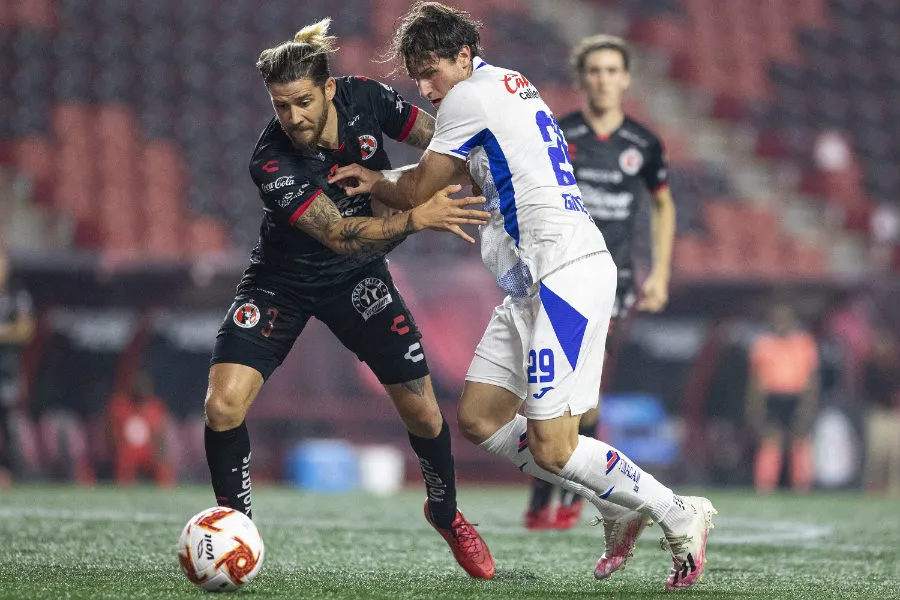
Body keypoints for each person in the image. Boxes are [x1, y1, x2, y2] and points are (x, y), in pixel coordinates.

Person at [329, 2, 714, 589]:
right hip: (532, 281)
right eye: (417, 77)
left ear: (463, 55)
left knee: (555, 446)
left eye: (431, 72)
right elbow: (464, 172)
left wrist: (375, 181)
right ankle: (612, 501)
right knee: (481, 417)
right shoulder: (504, 85)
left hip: (565, 274)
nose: (425, 89)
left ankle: (677, 511)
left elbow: (419, 188)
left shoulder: (468, 98)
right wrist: (394, 182)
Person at [204, 18, 495, 579]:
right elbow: (337, 234)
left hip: (358, 280)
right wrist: (417, 216)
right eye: (281, 106)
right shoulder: (270, 160)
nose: (293, 117)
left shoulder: (367, 98)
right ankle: (236, 529)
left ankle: (446, 514)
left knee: (424, 411)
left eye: (303, 102)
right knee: (222, 406)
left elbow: (438, 135)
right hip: (281, 282)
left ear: (330, 89)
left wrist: (479, 162)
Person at [524, 34, 678, 531]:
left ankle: (569, 486)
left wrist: (660, 273)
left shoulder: (643, 143)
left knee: (582, 383)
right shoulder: (560, 132)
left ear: (626, 79)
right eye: (594, 70)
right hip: (557, 269)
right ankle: (548, 481)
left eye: (612, 70)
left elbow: (663, 204)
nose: (603, 80)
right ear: (581, 78)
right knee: (544, 378)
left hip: (611, 279)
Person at [747, 303, 819, 493]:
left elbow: (811, 377)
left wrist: (809, 404)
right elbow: (756, 379)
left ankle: (802, 487)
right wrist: (755, 406)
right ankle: (765, 486)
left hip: (796, 397)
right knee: (771, 442)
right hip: (772, 397)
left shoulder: (804, 343)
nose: (781, 323)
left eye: (785, 319)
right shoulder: (763, 344)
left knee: (800, 441)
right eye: (777, 319)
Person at [0, 244, 35, 488]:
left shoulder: (17, 295)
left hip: (6, 370)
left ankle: (12, 472)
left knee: (8, 423)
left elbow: (25, 330)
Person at [107, 371, 175, 487]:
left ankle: (166, 490)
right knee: (124, 461)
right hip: (128, 450)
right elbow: (112, 433)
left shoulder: (155, 407)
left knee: (163, 466)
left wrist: (161, 452)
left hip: (149, 450)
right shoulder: (120, 406)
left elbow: (160, 434)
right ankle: (124, 489)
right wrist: (116, 449)